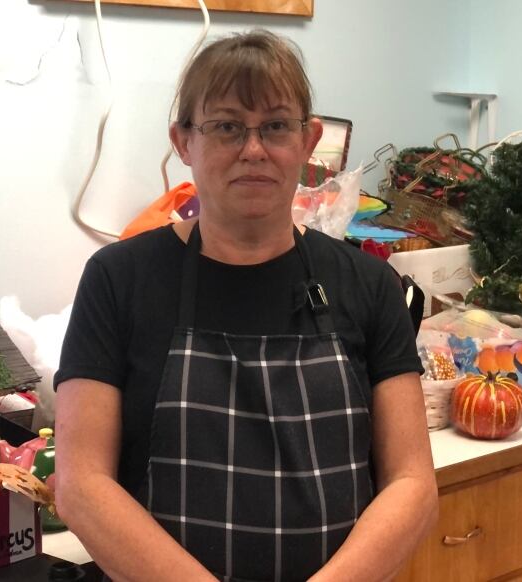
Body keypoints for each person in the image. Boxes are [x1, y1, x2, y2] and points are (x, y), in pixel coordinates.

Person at [54, 30, 438, 581]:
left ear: (308, 142)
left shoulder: (368, 284)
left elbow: (412, 484)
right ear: (183, 141)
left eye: (276, 126)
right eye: (227, 126)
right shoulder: (119, 279)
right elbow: (81, 485)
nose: (253, 149)